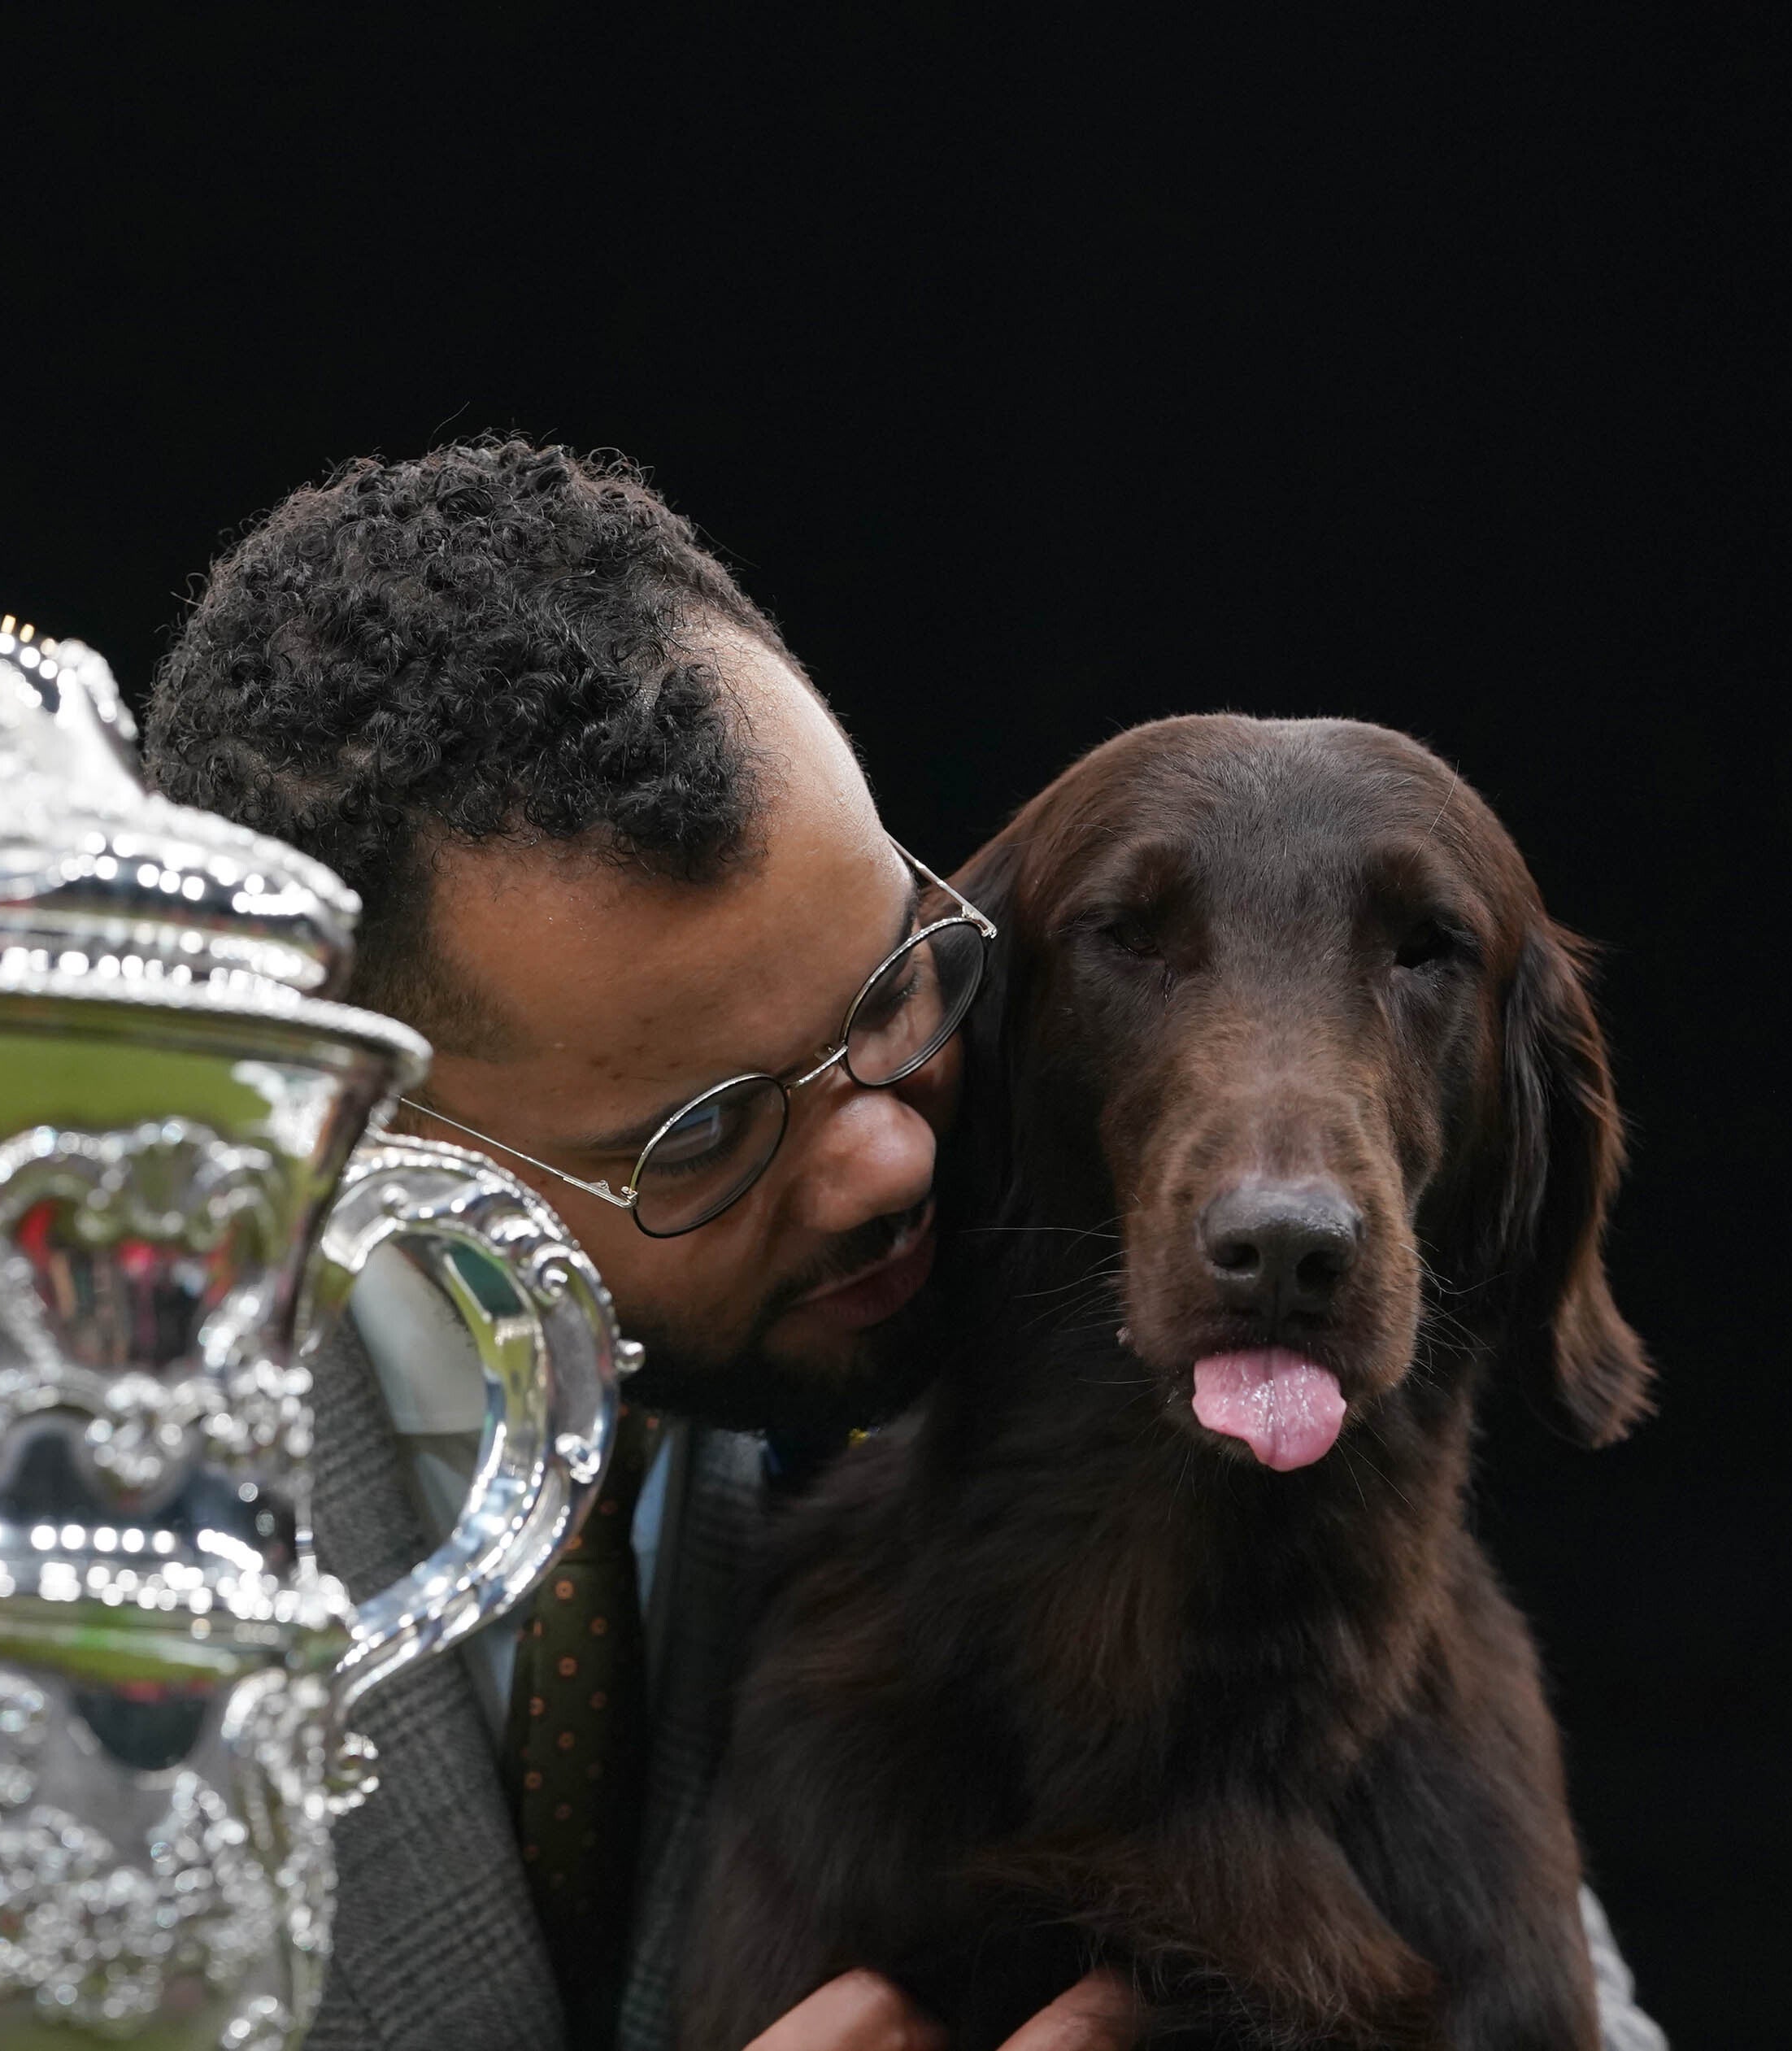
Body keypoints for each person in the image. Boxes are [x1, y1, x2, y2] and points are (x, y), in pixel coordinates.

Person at [141, 442, 1664, 2051]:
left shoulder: (1036, 1350)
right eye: (706, 1132)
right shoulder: (45, 1536)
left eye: (889, 988)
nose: (886, 1156)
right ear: (340, 1121)